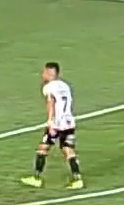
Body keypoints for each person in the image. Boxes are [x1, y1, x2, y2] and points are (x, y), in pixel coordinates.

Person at [22, 62, 83, 190]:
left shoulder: (49, 87)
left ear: (50, 73)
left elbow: (51, 103)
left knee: (43, 148)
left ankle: (36, 178)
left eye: (44, 72)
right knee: (68, 150)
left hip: (57, 123)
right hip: (69, 122)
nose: (42, 75)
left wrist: (50, 122)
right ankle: (77, 179)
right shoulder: (65, 85)